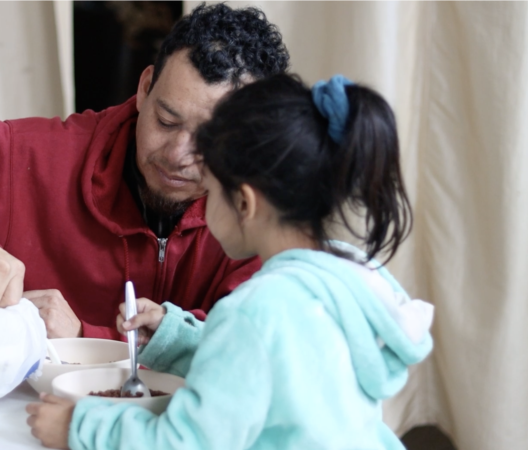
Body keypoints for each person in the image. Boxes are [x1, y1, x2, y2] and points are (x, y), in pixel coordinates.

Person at [25, 73, 435, 449]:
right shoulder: (349, 278)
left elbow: (186, 442)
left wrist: (79, 427)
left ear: (244, 201)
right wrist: (175, 338)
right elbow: (276, 365)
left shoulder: (257, 310)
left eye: (211, 189)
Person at [0, 4, 290, 339]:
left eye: (211, 140)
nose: (178, 154)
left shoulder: (269, 212)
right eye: (166, 120)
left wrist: (86, 338)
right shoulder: (42, 155)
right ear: (144, 88)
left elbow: (250, 347)